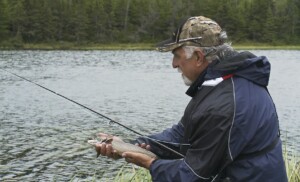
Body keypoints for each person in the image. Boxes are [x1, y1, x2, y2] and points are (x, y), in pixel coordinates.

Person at [94, 16, 288, 182]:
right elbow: (183, 134)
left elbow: (193, 176)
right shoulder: (225, 82)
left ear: (198, 57)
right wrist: (135, 144)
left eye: (177, 56)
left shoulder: (225, 103)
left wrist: (151, 164)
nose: (173, 64)